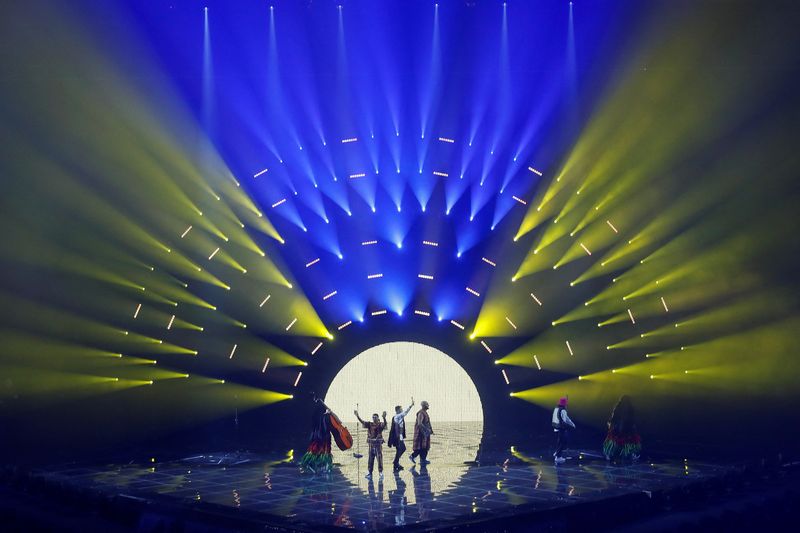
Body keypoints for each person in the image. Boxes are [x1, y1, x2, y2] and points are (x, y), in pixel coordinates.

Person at [299, 398, 334, 474]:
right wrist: (330, 413)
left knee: (313, 452)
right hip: (325, 438)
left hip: (316, 437)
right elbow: (338, 422)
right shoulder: (326, 417)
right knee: (325, 453)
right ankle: (325, 468)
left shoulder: (315, 417)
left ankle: (310, 466)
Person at [602, 395, 642, 462]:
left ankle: (609, 455)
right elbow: (632, 419)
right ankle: (631, 455)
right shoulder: (629, 408)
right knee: (628, 441)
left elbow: (614, 417)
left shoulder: (619, 407)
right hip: (625, 427)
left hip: (620, 427)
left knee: (616, 441)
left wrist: (611, 424)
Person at [355, 409, 388, 480]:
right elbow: (362, 421)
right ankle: (370, 473)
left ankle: (380, 472)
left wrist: (384, 417)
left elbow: (385, 424)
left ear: (378, 418)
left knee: (379, 458)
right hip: (371, 445)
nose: (373, 418)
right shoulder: (370, 424)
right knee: (370, 459)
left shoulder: (380, 424)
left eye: (375, 417)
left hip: (378, 445)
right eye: (373, 417)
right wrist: (357, 416)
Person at [387, 397, 415, 471]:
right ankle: (396, 462)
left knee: (400, 450)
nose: (402, 410)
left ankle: (396, 463)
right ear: (398, 410)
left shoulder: (397, 417)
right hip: (398, 436)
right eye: (401, 409)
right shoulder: (398, 416)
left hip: (399, 436)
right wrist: (411, 405)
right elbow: (406, 412)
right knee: (402, 449)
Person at [552, 396, 575, 464]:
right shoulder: (563, 410)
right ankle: (558, 457)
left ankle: (557, 453)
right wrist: (571, 425)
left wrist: (572, 424)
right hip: (561, 428)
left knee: (560, 441)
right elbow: (565, 420)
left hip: (556, 427)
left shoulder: (556, 408)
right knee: (562, 442)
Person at [409, 400, 433, 466]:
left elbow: (427, 423)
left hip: (425, 433)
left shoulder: (425, 412)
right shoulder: (421, 413)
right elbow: (419, 423)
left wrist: (430, 430)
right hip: (421, 433)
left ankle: (423, 460)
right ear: (424, 405)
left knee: (425, 447)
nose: (428, 405)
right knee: (420, 447)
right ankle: (412, 456)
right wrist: (427, 430)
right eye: (427, 404)